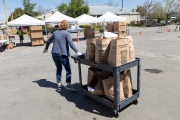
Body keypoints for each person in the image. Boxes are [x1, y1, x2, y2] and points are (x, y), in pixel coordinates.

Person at [43, 20, 82, 91]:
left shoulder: (55, 32)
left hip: (54, 54)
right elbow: (71, 43)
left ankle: (59, 84)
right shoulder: (66, 33)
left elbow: (48, 40)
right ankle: (69, 84)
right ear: (67, 26)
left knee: (59, 68)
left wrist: (46, 48)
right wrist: (77, 51)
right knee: (68, 69)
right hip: (62, 54)